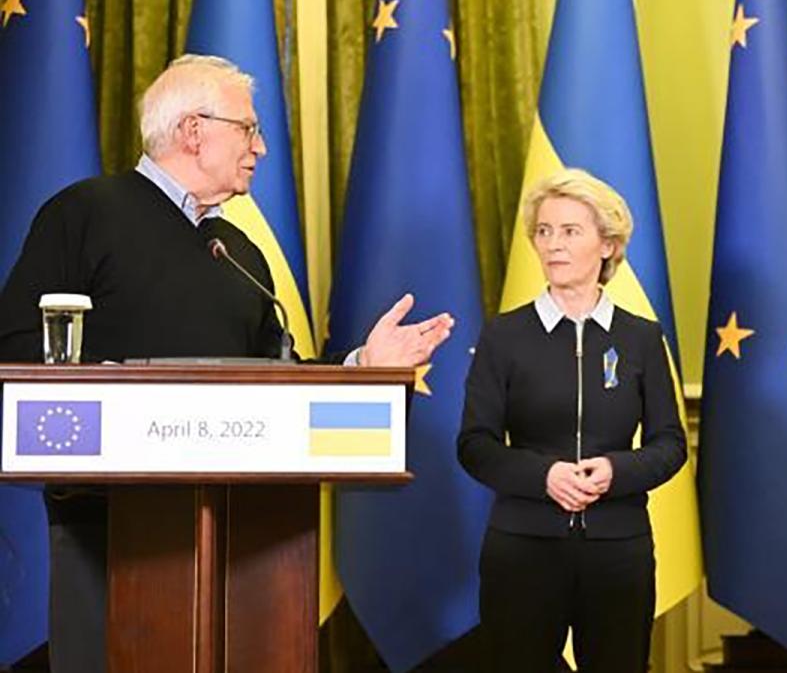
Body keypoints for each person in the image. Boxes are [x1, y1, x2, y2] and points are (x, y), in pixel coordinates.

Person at [0, 55, 452, 673]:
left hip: (245, 528)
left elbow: (276, 381)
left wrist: (365, 365)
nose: (262, 147)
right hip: (105, 520)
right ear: (193, 130)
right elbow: (19, 343)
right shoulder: (83, 213)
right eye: (249, 129)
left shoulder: (238, 251)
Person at [457, 169, 685, 673]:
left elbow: (670, 442)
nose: (553, 245)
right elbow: (475, 444)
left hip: (617, 548)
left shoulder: (642, 338)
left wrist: (616, 471)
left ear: (607, 244)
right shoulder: (504, 336)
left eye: (570, 231)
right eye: (544, 231)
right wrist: (545, 477)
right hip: (522, 548)